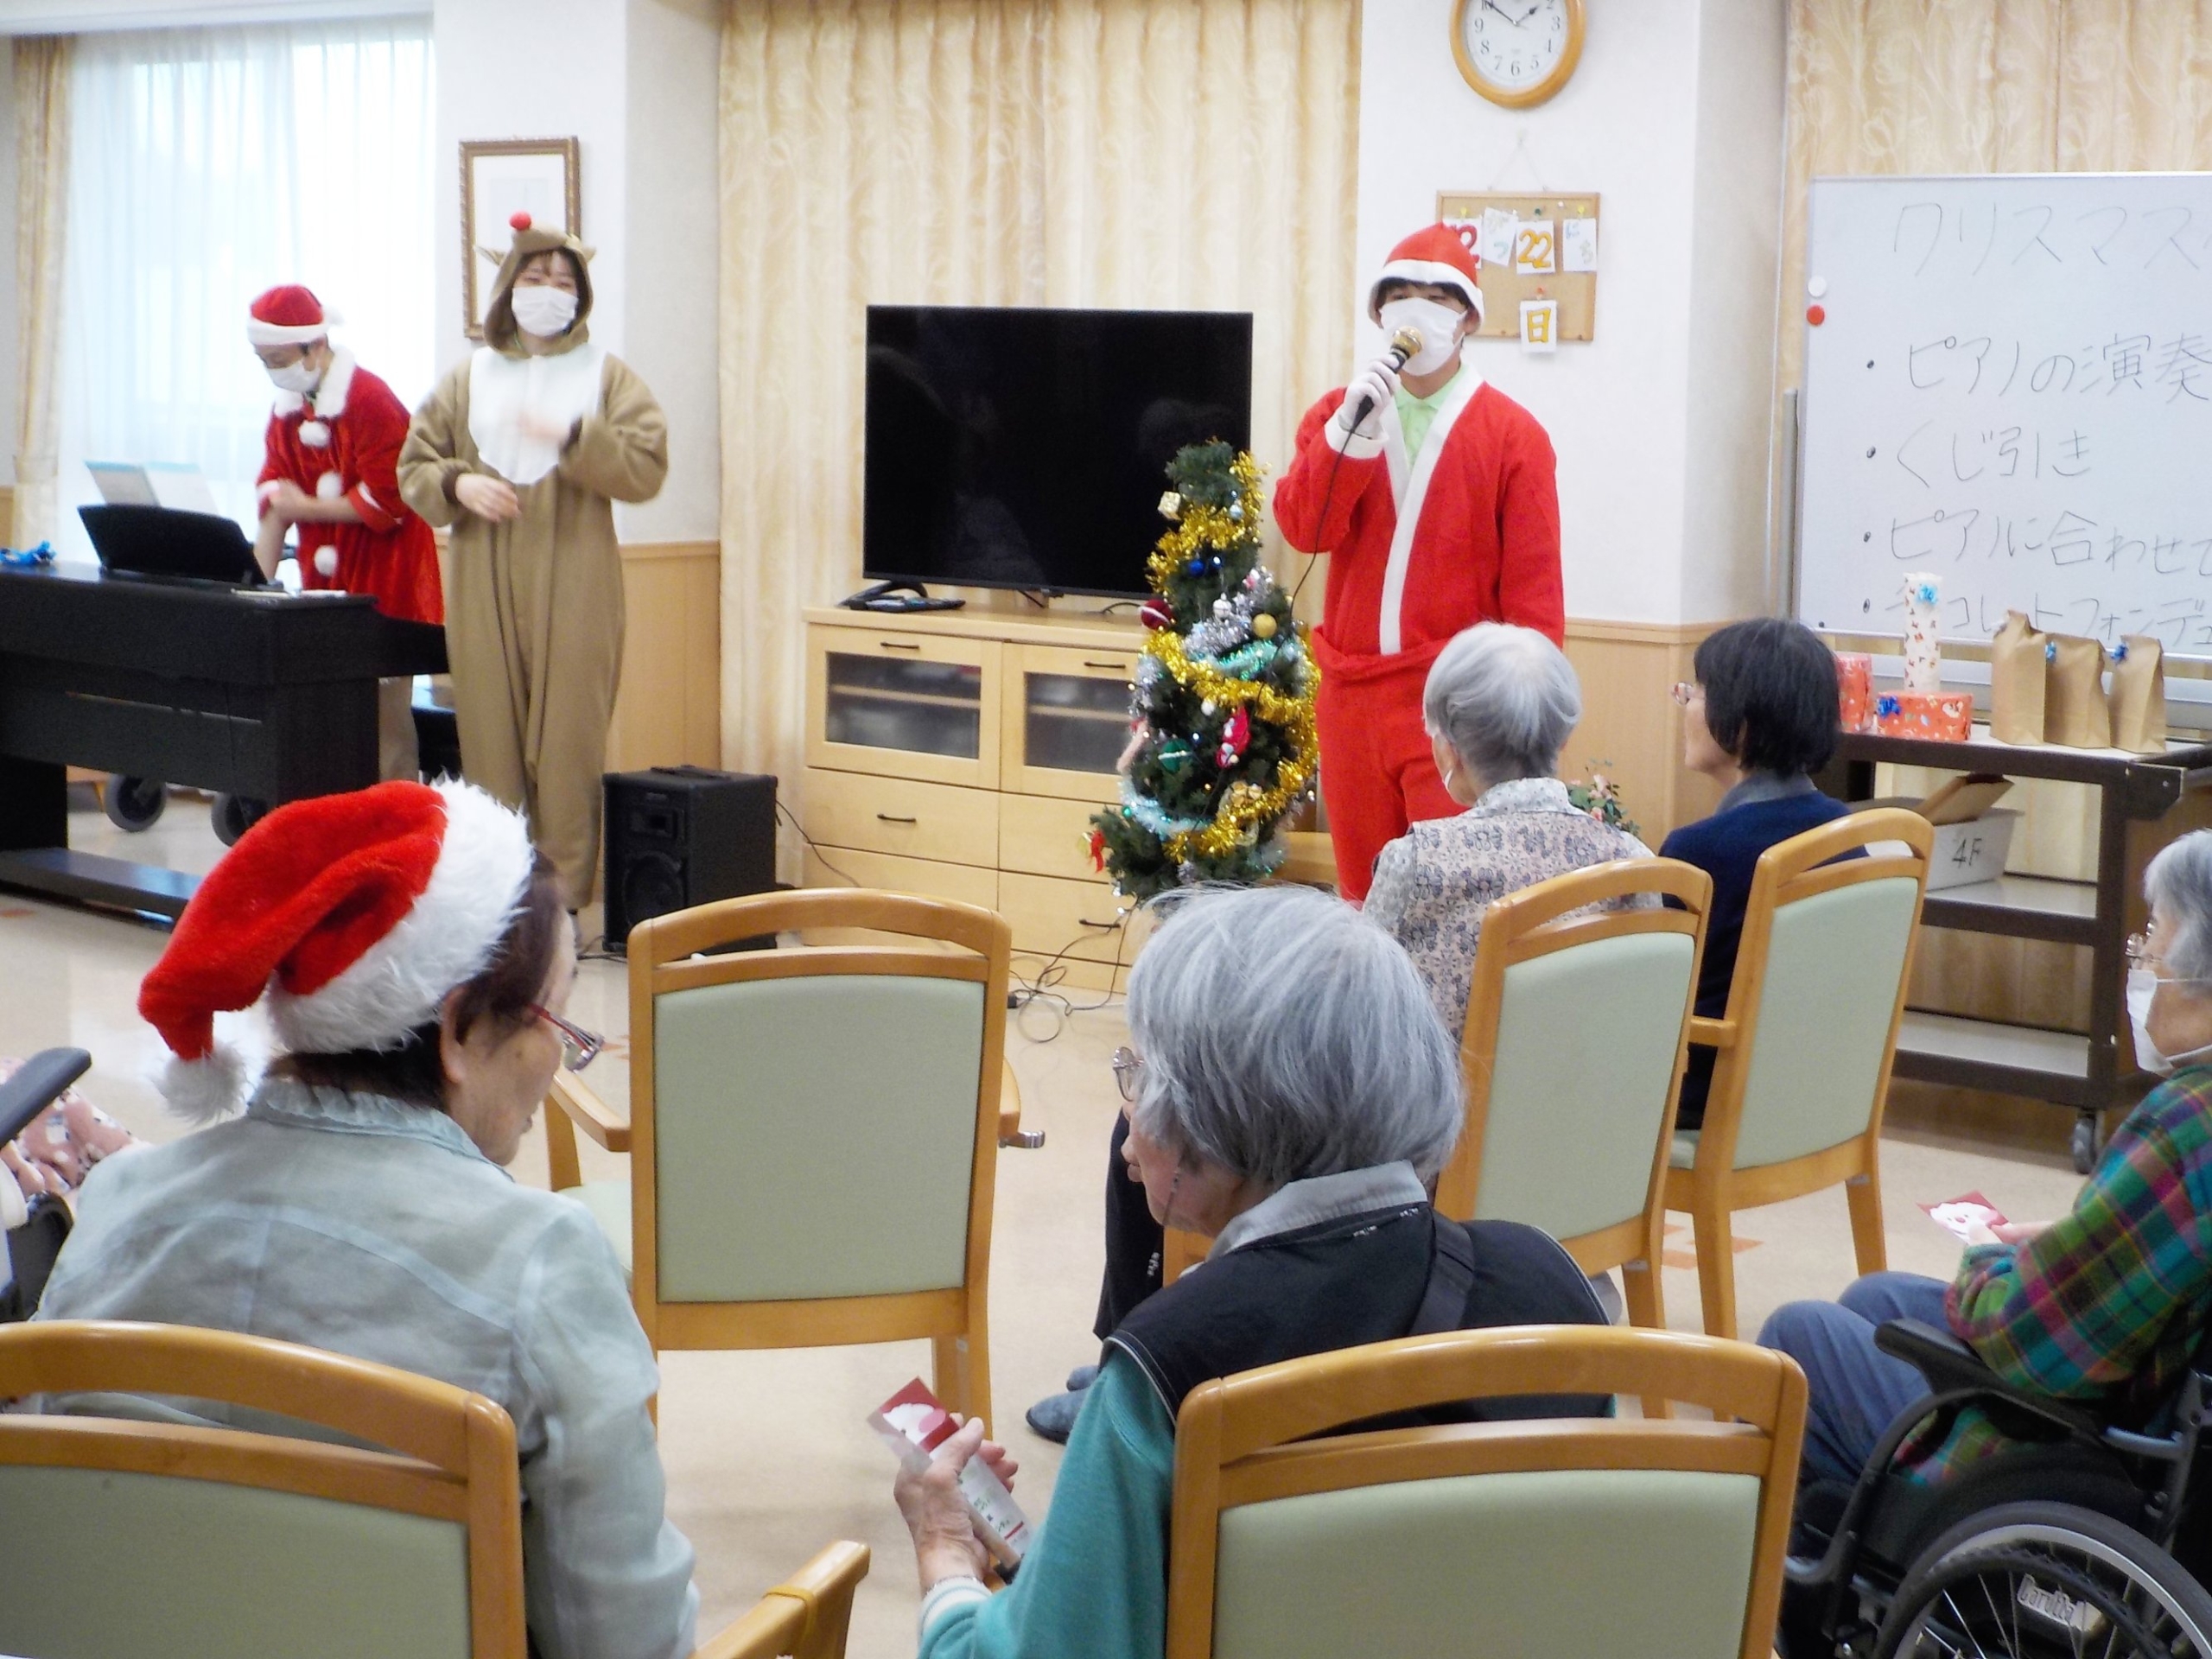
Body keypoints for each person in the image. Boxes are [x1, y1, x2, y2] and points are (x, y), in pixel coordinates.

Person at [30, 779, 698, 1659]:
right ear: (458, 1028)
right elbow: (626, 1638)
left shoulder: (115, 1212)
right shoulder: (542, 1265)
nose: (558, 1061)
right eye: (555, 1021)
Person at [908, 886, 1608, 1656]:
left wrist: (947, 1561)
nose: (1128, 1117)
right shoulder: (1551, 1282)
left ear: (1210, 1114)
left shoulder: (1173, 1369)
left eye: (1138, 1076)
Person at [1759, 831, 2212, 1651]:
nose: (2142, 959)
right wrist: (2069, 1241)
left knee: (1798, 1338)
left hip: (2075, 1434)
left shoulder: (2190, 1126)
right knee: (1871, 1298)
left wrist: (1991, 1263)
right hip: (2150, 1385)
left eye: (2157, 933)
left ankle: (1815, 1597)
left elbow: (2037, 1336)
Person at [1273, 222, 1564, 900]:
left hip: (1455, 704)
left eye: (1436, 296)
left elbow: (1535, 600)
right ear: (1379, 313)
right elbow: (1302, 530)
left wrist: (1530, 725)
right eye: (1399, 293)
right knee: (1362, 897)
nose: (1416, 308)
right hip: (1349, 698)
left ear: (1466, 317)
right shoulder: (1337, 413)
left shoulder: (1513, 435)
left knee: (1452, 896)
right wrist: (1349, 433)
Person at [399, 214, 668, 910]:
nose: (548, 291)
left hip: (576, 578)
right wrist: (459, 483)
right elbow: (415, 463)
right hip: (482, 575)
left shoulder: (607, 377)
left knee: (569, 749)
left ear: (581, 296)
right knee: (489, 747)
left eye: (562, 281)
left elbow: (645, 468)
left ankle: (562, 908)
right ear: (507, 287)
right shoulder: (468, 379)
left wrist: (579, 436)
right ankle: (497, 906)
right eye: (534, 276)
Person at [1364, 622, 1653, 1042]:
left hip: (1452, 1106)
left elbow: (1360, 1010)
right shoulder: (1632, 860)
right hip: (1605, 1099)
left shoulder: (1415, 862)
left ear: (1450, 748)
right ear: (1563, 738)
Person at [1659, 618, 1855, 1130]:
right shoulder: (1845, 830)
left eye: (1697, 692)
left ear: (1741, 723)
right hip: (1809, 1093)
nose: (1686, 706)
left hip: (1707, 1098)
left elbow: (1659, 1001)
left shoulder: (1699, 851)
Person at [248, 284, 442, 782]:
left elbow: (391, 501)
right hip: (324, 585)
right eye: (262, 359)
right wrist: (250, 591)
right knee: (327, 726)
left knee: (385, 729)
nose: (272, 369)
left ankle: (397, 832)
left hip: (386, 584)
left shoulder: (371, 400)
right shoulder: (288, 408)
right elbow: (276, 500)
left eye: (277, 358)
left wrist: (305, 506)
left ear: (314, 345)